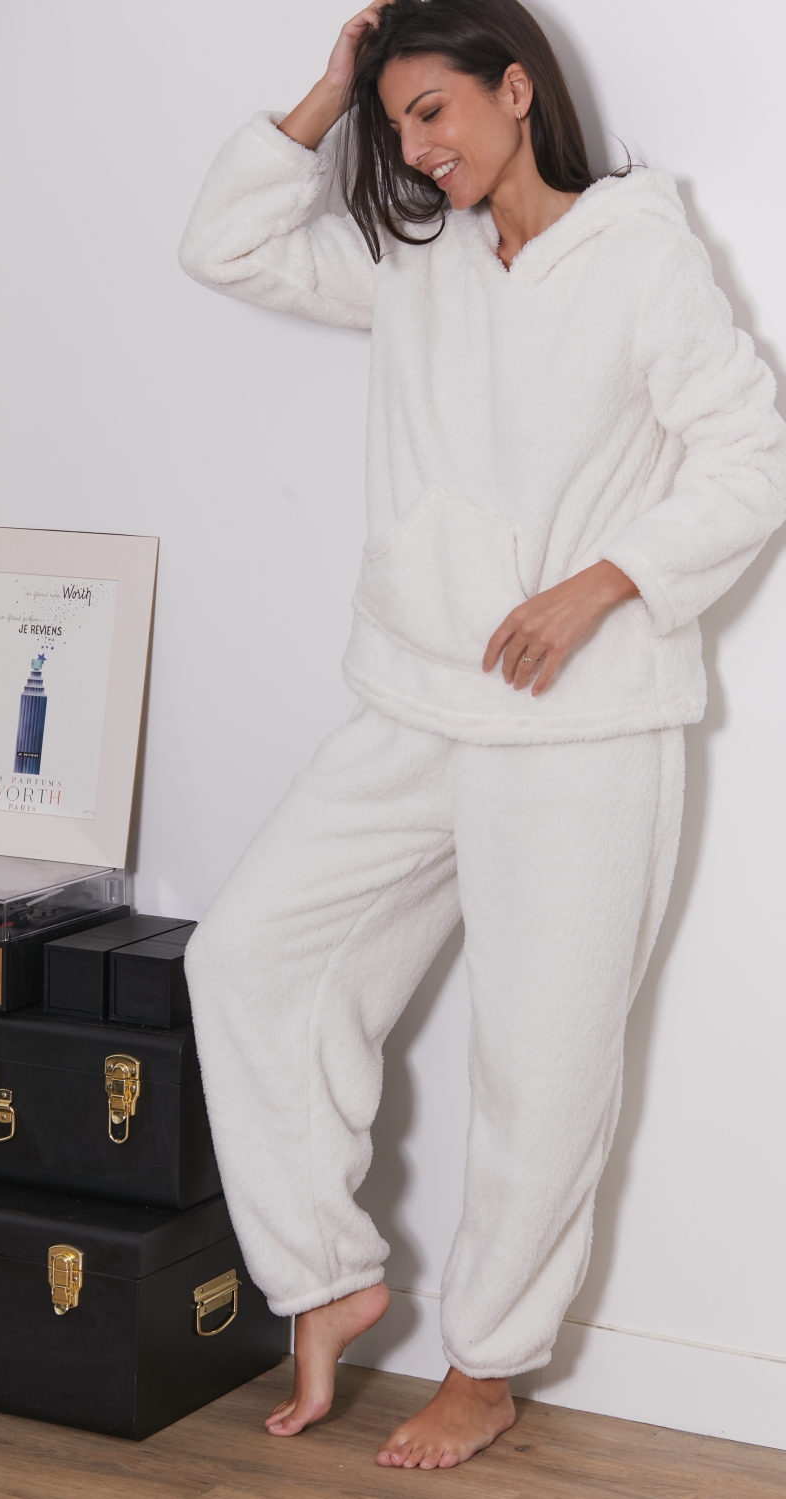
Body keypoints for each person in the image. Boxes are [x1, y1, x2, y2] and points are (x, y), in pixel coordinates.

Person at [178, 0, 786, 1472]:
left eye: (434, 112)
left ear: (518, 90)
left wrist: (600, 585)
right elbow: (228, 246)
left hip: (579, 723)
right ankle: (326, 1270)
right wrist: (330, 90)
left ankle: (487, 1364)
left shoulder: (638, 253)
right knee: (248, 956)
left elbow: (751, 455)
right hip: (414, 696)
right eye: (396, 125)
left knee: (541, 1058)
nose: (415, 149)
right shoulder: (416, 258)